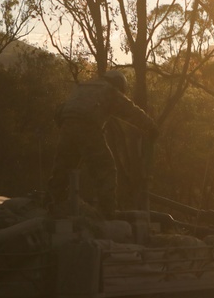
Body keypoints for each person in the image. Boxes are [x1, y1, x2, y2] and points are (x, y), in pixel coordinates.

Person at [48, 70, 158, 218]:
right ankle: (107, 212)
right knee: (105, 169)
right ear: (118, 84)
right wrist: (150, 127)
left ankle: (53, 204)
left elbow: (60, 109)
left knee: (63, 168)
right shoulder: (109, 90)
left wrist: (67, 126)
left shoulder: (83, 87)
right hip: (88, 126)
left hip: (67, 124)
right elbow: (130, 110)